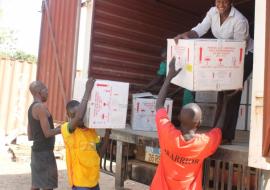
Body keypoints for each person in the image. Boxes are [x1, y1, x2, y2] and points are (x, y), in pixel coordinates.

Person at [174, 0, 253, 144]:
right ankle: (217, 131)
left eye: (224, 1)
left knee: (231, 92)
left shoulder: (240, 20)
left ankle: (226, 136)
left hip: (245, 56)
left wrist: (235, 77)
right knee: (221, 90)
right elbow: (199, 29)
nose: (220, 4)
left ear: (231, 2)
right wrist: (184, 35)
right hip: (225, 53)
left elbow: (239, 50)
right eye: (218, 1)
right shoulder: (212, 12)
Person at [150, 58, 230, 190]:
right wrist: (226, 100)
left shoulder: (167, 134)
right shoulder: (203, 143)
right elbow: (218, 129)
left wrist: (169, 77)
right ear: (200, 123)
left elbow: (159, 104)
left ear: (178, 118)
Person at [60, 78, 111, 190]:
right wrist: (88, 90)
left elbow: (100, 154)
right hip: (80, 184)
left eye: (82, 113)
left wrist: (107, 133)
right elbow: (78, 117)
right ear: (68, 116)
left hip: (94, 182)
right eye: (73, 115)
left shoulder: (91, 131)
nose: (79, 117)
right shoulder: (66, 130)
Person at [28, 81, 61, 190]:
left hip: (36, 152)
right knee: (48, 185)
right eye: (45, 90)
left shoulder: (31, 108)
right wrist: (63, 128)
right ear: (39, 92)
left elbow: (30, 135)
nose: (48, 92)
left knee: (36, 185)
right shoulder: (40, 107)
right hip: (44, 153)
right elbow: (47, 133)